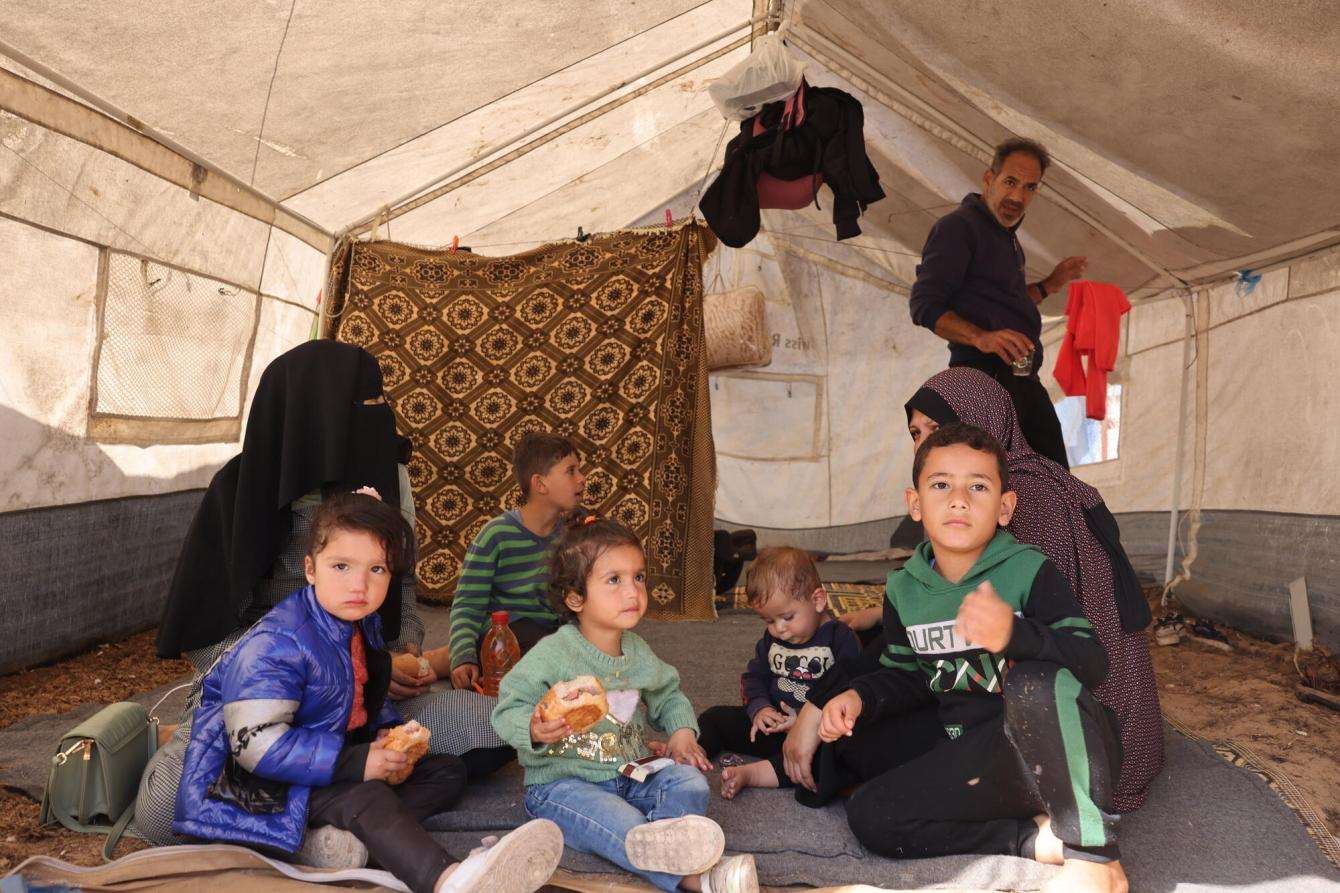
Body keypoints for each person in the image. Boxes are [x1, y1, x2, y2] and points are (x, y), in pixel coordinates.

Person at [141, 341, 509, 851]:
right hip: (264, 715)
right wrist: (306, 673)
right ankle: (336, 825)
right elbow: (206, 638)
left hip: (364, 711)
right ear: (320, 411)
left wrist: (398, 656)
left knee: (494, 730)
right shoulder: (240, 490)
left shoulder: (389, 481)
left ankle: (323, 823)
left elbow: (401, 592)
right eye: (369, 405)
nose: (384, 419)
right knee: (161, 816)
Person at [173, 492, 564, 893]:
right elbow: (255, 745)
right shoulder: (277, 643)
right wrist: (357, 763)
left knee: (447, 771)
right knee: (368, 800)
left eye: (376, 569)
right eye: (341, 566)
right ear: (311, 569)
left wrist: (385, 734)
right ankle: (451, 879)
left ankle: (340, 846)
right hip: (261, 789)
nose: (359, 585)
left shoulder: (358, 623)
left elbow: (363, 697)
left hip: (327, 766)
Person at [823, 423, 1127, 893]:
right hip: (975, 754)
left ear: (1005, 507)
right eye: (941, 484)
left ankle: (1094, 856)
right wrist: (859, 697)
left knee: (1033, 683)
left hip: (1057, 750)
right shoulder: (904, 587)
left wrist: (1014, 634)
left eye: (978, 486)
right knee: (869, 813)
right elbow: (907, 676)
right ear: (915, 503)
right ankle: (1033, 839)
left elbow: (1092, 662)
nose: (958, 499)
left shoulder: (1028, 569)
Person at [844, 366, 1162, 812]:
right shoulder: (1005, 487)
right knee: (867, 705)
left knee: (877, 723)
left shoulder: (1030, 497)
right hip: (1005, 693)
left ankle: (1067, 837)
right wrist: (882, 620)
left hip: (1077, 725)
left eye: (940, 427)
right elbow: (948, 605)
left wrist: (830, 700)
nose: (924, 444)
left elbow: (1049, 640)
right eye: (916, 433)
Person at [491, 518, 759, 893]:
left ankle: (651, 840)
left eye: (639, 577)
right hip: (563, 786)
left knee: (690, 783)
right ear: (575, 598)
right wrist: (533, 728)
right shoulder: (553, 654)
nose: (632, 591)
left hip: (630, 775)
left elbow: (667, 693)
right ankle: (695, 878)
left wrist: (682, 731)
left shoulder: (637, 652)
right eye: (614, 580)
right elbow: (506, 707)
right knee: (612, 817)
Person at [908, 136, 1086, 468]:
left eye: (1030, 187)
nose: (1018, 196)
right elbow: (924, 305)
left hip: (1022, 384)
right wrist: (981, 338)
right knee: (999, 490)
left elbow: (1008, 303)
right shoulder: (959, 227)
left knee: (1053, 486)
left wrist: (1050, 285)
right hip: (982, 382)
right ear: (989, 180)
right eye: (1010, 182)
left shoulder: (1006, 239)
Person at [695, 547, 860, 799]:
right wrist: (760, 709)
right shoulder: (772, 639)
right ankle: (689, 754)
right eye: (769, 621)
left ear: (817, 600)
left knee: (828, 760)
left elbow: (851, 688)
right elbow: (754, 677)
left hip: (814, 735)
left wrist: (811, 722)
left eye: (787, 617)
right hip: (773, 726)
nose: (779, 630)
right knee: (716, 718)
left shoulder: (840, 638)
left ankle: (751, 774)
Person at [442, 432, 586, 691]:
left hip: (552, 632)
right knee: (541, 644)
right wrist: (463, 657)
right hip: (506, 633)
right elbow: (467, 605)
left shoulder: (572, 536)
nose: (582, 479)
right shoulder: (496, 535)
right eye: (571, 471)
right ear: (540, 484)